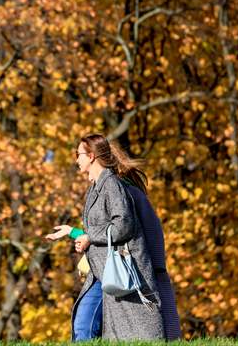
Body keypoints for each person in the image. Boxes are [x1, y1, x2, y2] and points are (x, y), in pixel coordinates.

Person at [47, 134, 165, 340]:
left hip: (118, 270)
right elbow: (102, 228)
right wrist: (73, 233)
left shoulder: (112, 185)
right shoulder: (96, 187)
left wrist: (89, 237)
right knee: (83, 325)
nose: (76, 159)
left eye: (79, 154)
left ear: (91, 156)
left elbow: (123, 224)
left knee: (86, 326)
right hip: (102, 271)